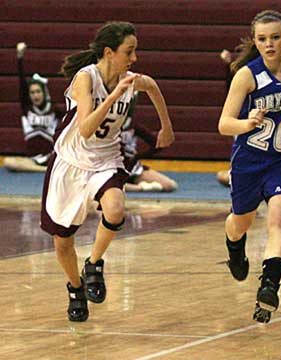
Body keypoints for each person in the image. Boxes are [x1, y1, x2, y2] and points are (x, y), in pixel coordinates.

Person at [40, 22, 175, 322]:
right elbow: (86, 129)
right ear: (108, 53)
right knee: (63, 241)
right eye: (130, 51)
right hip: (70, 161)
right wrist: (114, 98)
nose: (135, 58)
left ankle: (94, 264)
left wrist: (165, 127)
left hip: (105, 159)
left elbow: (152, 86)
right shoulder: (84, 79)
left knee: (115, 209)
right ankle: (75, 288)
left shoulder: (131, 79)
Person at [218, 10, 281, 323]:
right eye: (262, 39)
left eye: (275, 37)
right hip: (250, 161)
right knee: (241, 222)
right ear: (256, 42)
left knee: (278, 219)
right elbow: (224, 124)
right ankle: (235, 247)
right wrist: (247, 122)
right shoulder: (247, 75)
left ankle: (269, 287)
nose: (269, 44)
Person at [3, 42, 62, 172]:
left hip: (51, 156)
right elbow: (22, 84)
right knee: (8, 162)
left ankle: (45, 167)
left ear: (44, 92)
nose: (35, 95)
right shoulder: (27, 108)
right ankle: (44, 170)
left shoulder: (54, 109)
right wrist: (20, 57)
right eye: (32, 92)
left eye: (38, 91)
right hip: (33, 159)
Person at [121, 91, 178, 192]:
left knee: (170, 185)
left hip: (131, 167)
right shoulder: (107, 123)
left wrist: (138, 156)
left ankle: (129, 186)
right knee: (104, 187)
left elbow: (158, 144)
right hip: (110, 167)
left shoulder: (133, 124)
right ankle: (138, 188)